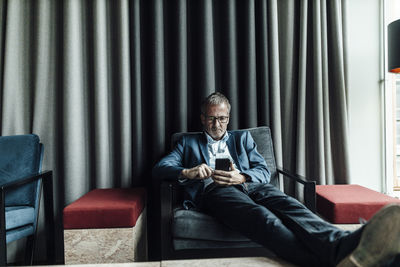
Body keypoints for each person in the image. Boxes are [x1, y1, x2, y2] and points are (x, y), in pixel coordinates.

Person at [153, 92, 400, 266]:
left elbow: (263, 170)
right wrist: (188, 172)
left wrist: (242, 176)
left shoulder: (243, 139)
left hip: (250, 185)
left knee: (292, 206)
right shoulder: (187, 142)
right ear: (202, 118)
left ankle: (341, 245)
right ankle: (340, 252)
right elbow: (161, 168)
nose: (217, 124)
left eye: (222, 118)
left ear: (229, 117)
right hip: (215, 191)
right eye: (211, 118)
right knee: (263, 218)